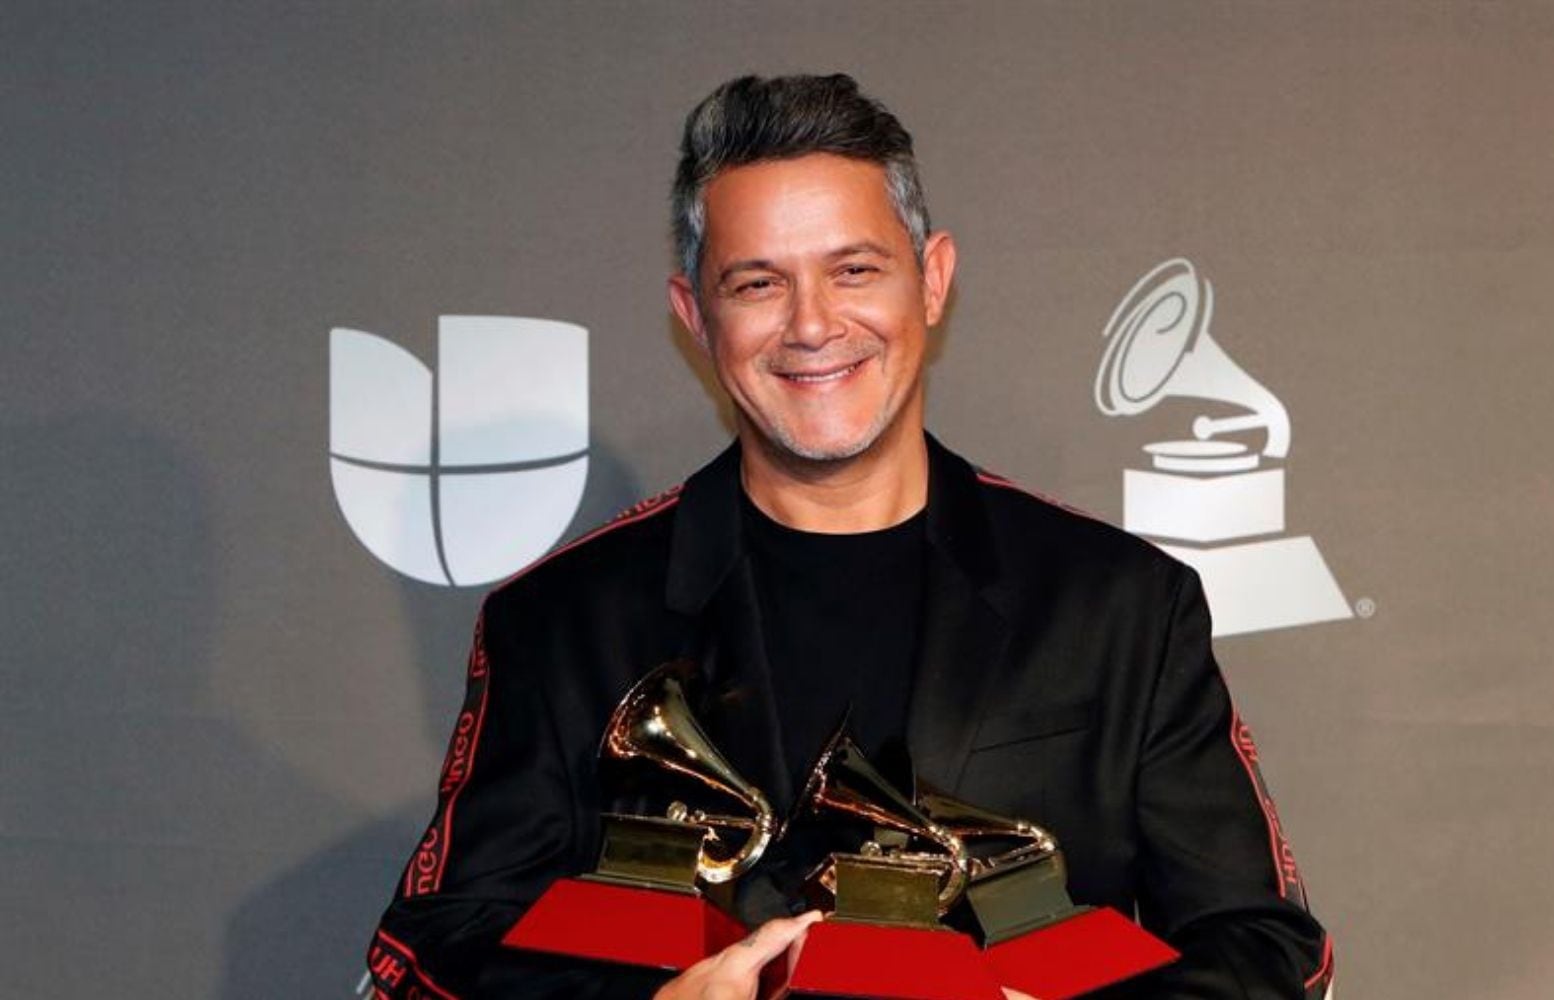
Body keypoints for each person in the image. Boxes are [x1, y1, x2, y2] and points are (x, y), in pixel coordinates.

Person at [367, 73, 1333, 1000]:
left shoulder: (1120, 603)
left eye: (854, 270)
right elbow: (437, 946)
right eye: (757, 284)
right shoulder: (562, 620)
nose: (813, 325)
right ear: (695, 317)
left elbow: (1260, 943)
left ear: (933, 279)